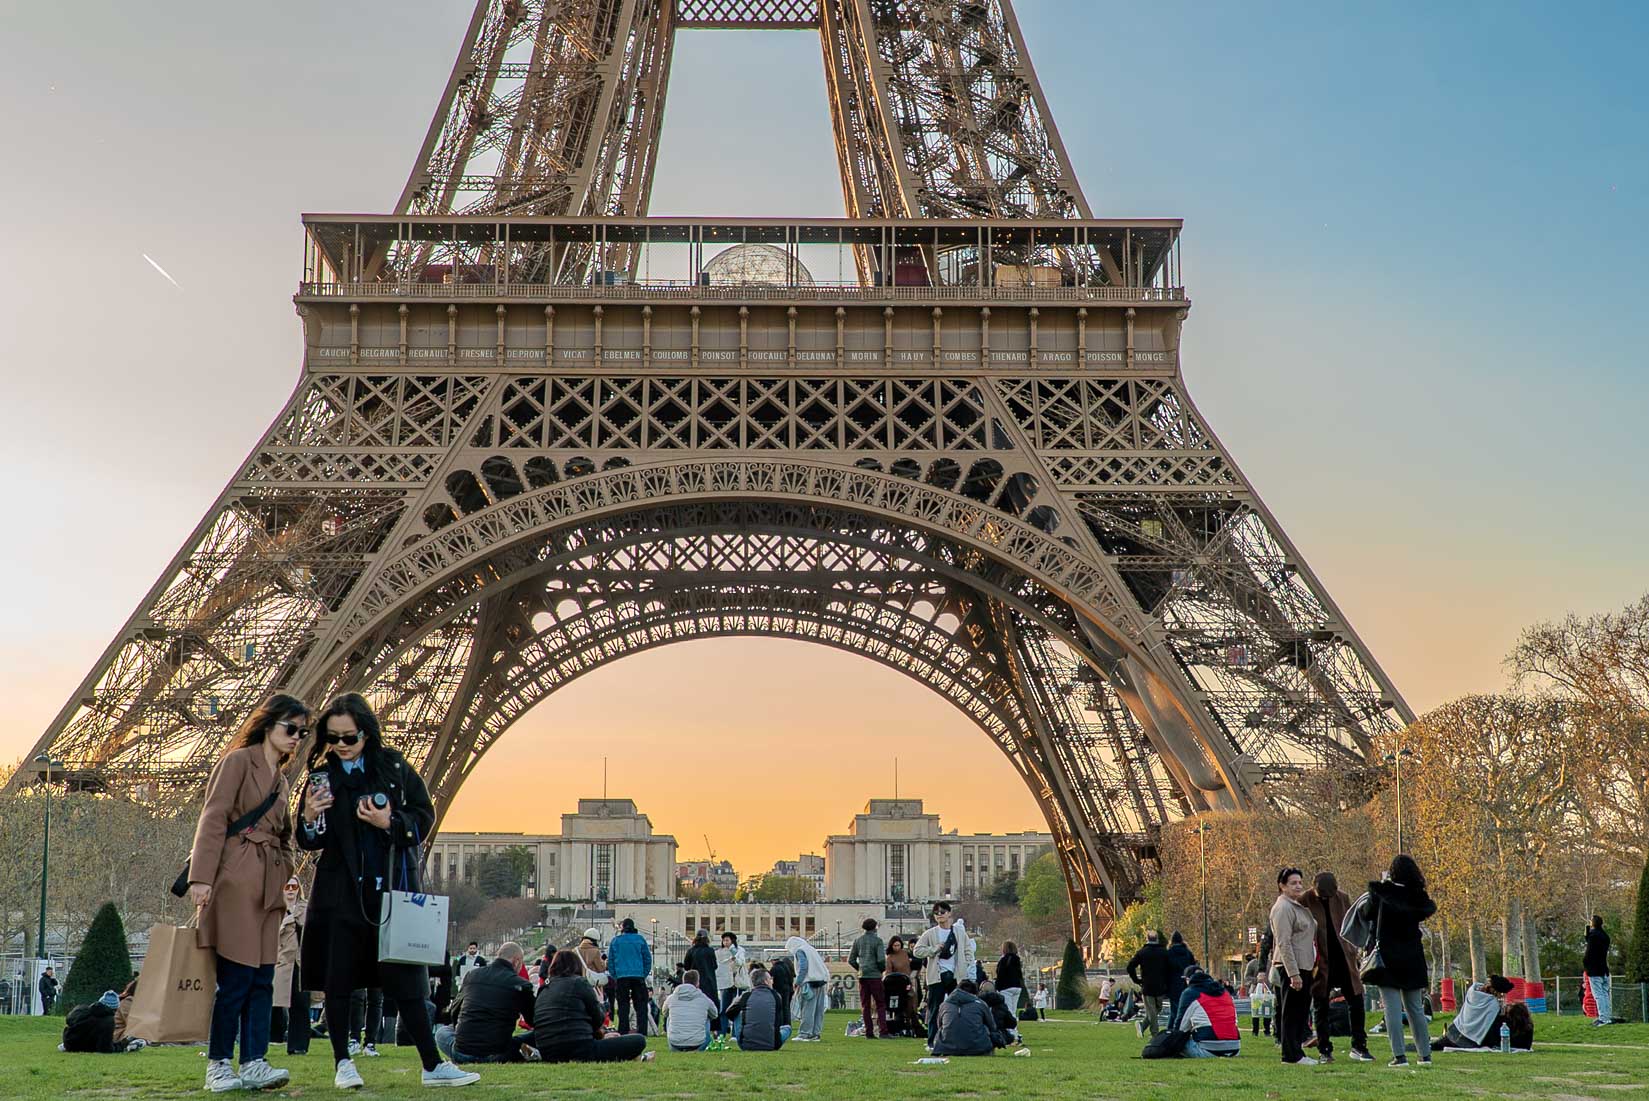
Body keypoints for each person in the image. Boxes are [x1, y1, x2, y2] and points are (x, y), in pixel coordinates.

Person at [296, 692, 479, 1089]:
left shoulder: (394, 767)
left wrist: (388, 821)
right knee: (338, 980)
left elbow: (423, 815)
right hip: (340, 891)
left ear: (366, 733)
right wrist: (310, 816)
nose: (341, 747)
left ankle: (432, 1063)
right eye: (333, 739)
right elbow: (307, 840)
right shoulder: (321, 778)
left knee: (407, 981)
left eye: (349, 738)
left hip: (390, 890)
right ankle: (343, 1062)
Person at [188, 693, 308, 1092]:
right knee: (237, 979)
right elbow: (213, 818)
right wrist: (201, 878)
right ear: (269, 724)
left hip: (269, 885)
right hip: (237, 880)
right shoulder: (238, 763)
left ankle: (254, 1060)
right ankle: (219, 1064)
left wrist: (289, 871)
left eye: (302, 732)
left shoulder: (284, 779)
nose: (296, 737)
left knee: (262, 980)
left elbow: (285, 834)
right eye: (290, 728)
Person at [1363, 853, 1436, 1068]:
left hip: (1387, 956)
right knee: (1415, 1009)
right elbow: (1424, 912)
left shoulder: (1382, 893)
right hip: (1412, 956)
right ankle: (1424, 1055)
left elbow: (1367, 913)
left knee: (1392, 1009)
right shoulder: (1417, 897)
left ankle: (1400, 1056)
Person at [532, 949, 652, 1063]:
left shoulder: (544, 988)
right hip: (579, 1048)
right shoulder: (579, 983)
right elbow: (598, 1019)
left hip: (547, 1050)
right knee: (638, 1040)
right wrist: (601, 1004)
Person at [1302, 870, 1372, 1063]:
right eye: (1322, 895)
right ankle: (1325, 1049)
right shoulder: (1305, 900)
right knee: (1320, 1005)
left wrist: (1353, 949)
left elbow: (1352, 923)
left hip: (1343, 958)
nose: (1325, 898)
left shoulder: (1341, 898)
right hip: (1320, 961)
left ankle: (1359, 1045)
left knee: (1356, 1001)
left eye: (1328, 895)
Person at [435, 942, 536, 1064]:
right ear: (516, 961)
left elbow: (455, 1011)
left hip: (462, 1051)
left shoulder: (472, 975)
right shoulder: (521, 984)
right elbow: (533, 1020)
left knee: (441, 1033)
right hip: (498, 1052)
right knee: (533, 1035)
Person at [1268, 866, 1318, 1066]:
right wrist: (1293, 974)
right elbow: (1283, 943)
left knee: (1300, 1011)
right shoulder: (1283, 908)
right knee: (1291, 1012)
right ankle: (1290, 1055)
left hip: (1304, 965)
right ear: (1282, 886)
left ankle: (1297, 1051)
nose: (1298, 886)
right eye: (1293, 883)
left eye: (1299, 882)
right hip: (1291, 966)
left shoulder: (1296, 906)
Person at [913, 902, 973, 1045]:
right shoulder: (930, 933)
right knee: (934, 1010)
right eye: (936, 913)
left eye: (942, 912)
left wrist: (967, 964)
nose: (939, 915)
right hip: (937, 976)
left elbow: (968, 950)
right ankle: (932, 1041)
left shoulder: (959, 932)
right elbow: (917, 951)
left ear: (949, 913)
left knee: (958, 1009)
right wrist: (934, 949)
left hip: (956, 975)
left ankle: (957, 1038)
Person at [270, 876, 311, 1056]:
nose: (291, 889)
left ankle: (298, 1045)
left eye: (294, 886)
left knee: (301, 1003)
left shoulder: (306, 907)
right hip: (281, 961)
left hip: (301, 961)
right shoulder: (275, 909)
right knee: (275, 1002)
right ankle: (272, 1038)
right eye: (287, 886)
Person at [1172, 968, 1241, 1057]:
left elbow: (1181, 1028)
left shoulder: (1190, 994)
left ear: (1188, 980)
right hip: (1234, 1048)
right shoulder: (1225, 992)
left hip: (1209, 1049)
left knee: (1180, 1043)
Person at [931, 979, 1006, 1056]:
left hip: (946, 1048)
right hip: (978, 1047)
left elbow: (939, 1025)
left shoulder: (944, 1005)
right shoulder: (980, 1004)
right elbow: (992, 1026)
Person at [1438, 975, 1513, 1050]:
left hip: (1454, 1031)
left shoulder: (1472, 991)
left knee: (1437, 1044)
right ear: (1495, 991)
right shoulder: (1493, 1005)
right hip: (1469, 1041)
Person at [726, 966, 791, 1051]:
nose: (772, 981)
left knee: (737, 1012)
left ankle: (738, 1035)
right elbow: (778, 1020)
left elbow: (729, 1012)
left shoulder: (746, 996)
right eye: (770, 979)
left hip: (745, 1044)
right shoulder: (776, 996)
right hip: (772, 1044)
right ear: (766, 981)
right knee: (787, 1028)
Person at [608, 919, 653, 1036]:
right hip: (638, 975)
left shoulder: (616, 941)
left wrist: (615, 975)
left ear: (622, 928)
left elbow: (611, 961)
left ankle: (623, 1030)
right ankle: (642, 1030)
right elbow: (647, 959)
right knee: (641, 1005)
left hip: (622, 976)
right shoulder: (640, 940)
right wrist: (644, 973)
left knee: (623, 1005)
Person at [1125, 931, 1171, 1038]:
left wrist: (1136, 980)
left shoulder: (1142, 952)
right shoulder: (1164, 952)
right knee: (1156, 1010)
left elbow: (1130, 967)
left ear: (1147, 939)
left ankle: (1143, 1026)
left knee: (1152, 1012)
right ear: (1157, 939)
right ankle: (1155, 1033)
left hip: (1147, 985)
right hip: (1161, 986)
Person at [849, 918, 889, 1038]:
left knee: (865, 1005)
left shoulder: (858, 940)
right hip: (875, 976)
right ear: (875, 927)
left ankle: (869, 1032)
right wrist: (881, 970)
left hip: (863, 976)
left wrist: (860, 968)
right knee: (880, 1004)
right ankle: (883, 1031)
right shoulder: (878, 941)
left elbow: (851, 959)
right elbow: (881, 959)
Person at [661, 969, 719, 1051]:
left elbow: (664, 1013)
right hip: (699, 1044)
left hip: (675, 1044)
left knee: (669, 1016)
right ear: (697, 983)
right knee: (707, 1015)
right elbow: (715, 1014)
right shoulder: (704, 998)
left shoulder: (671, 998)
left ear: (683, 981)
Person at [787, 935, 831, 1041]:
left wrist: (798, 982)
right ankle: (815, 1033)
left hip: (808, 983)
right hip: (821, 981)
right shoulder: (811, 949)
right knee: (818, 1010)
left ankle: (804, 1033)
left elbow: (803, 967)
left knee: (807, 1009)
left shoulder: (800, 951)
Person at [682, 932, 721, 1031]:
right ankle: (714, 1029)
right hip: (709, 982)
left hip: (694, 982)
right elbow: (715, 966)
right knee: (710, 1005)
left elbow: (686, 966)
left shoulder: (691, 951)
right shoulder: (710, 951)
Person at [714, 931, 748, 1036]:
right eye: (723, 940)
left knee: (736, 1009)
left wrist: (734, 954)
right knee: (724, 1009)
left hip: (737, 983)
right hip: (725, 983)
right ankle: (721, 1033)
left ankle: (735, 1033)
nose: (725, 942)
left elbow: (740, 962)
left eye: (727, 940)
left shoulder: (739, 950)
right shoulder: (720, 952)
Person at [1584, 914, 1613, 1026]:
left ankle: (1603, 1018)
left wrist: (1586, 965)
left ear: (1593, 923)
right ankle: (1607, 1016)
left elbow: (1589, 951)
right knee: (1605, 994)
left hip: (1594, 969)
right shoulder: (1605, 936)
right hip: (1604, 968)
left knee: (1598, 995)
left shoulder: (1593, 936)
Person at [976, 980, 1021, 1046]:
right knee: (1009, 1036)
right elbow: (1012, 1023)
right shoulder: (1001, 1005)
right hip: (998, 1034)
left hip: (981, 1034)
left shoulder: (976, 1003)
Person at [1165, 932, 1197, 1012]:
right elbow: (1193, 967)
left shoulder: (1168, 953)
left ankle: (1176, 1024)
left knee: (1174, 1010)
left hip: (1172, 985)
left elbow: (1165, 970)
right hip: (1186, 983)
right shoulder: (1188, 953)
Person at [994, 941, 1026, 1020]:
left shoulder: (1004, 960)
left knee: (1008, 1010)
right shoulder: (1017, 960)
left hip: (1006, 987)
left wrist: (997, 987)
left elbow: (1000, 974)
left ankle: (1011, 1030)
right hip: (1017, 987)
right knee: (1013, 1010)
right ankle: (1014, 1029)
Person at [768, 950, 797, 1028]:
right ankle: (787, 1023)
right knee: (786, 1007)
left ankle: (781, 1023)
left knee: (780, 1007)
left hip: (779, 990)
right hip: (788, 989)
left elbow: (771, 980)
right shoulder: (786, 966)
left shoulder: (774, 968)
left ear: (773, 960)